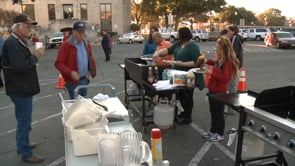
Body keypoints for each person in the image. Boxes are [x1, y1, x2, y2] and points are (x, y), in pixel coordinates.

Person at [1, 14, 45, 163]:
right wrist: (36, 56)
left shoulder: (17, 41)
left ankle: (22, 145)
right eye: (27, 26)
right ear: (17, 27)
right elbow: (19, 66)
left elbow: (19, 63)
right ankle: (26, 153)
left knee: (22, 119)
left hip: (20, 87)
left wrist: (32, 57)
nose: (30, 28)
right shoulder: (13, 43)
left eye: (31, 26)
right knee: (24, 121)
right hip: (20, 89)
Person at [153, 27, 201, 125]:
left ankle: (188, 116)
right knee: (180, 95)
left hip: (189, 75)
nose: (177, 35)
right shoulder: (178, 44)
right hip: (178, 75)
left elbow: (197, 62)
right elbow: (168, 50)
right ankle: (182, 113)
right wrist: (158, 53)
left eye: (178, 33)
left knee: (188, 96)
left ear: (183, 35)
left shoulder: (193, 47)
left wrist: (182, 64)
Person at [200, 36, 240, 142]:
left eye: (217, 46)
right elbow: (215, 63)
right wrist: (206, 61)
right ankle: (213, 131)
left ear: (223, 48)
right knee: (213, 111)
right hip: (213, 89)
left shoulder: (228, 62)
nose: (216, 48)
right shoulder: (220, 59)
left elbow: (224, 78)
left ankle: (220, 133)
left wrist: (210, 72)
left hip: (220, 91)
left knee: (219, 113)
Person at [55, 21, 97, 99]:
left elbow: (90, 58)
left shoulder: (86, 44)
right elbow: (59, 63)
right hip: (73, 82)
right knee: (75, 105)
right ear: (74, 32)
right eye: (80, 32)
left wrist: (92, 71)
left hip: (85, 79)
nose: (82, 35)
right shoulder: (66, 45)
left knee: (84, 102)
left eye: (83, 31)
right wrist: (70, 73)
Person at [225, 25, 244, 114]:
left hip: (234, 66)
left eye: (228, 31)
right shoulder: (234, 38)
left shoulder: (235, 39)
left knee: (232, 87)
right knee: (230, 87)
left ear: (233, 31)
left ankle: (232, 109)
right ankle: (231, 108)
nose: (227, 33)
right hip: (234, 66)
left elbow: (233, 54)